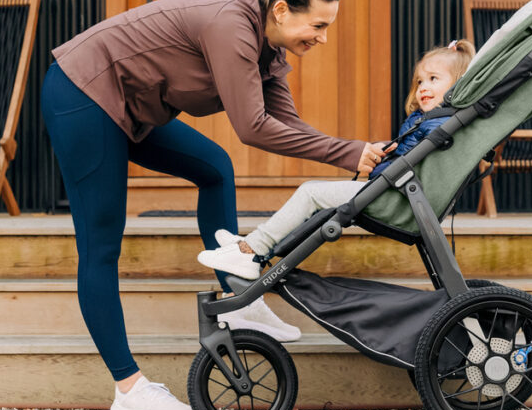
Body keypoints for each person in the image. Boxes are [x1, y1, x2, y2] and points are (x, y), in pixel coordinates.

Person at [41, 0, 391, 410]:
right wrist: (349, 153)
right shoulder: (232, 28)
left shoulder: (270, 53)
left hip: (131, 108)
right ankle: (129, 389)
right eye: (318, 25)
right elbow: (252, 128)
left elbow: (289, 127)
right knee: (100, 245)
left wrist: (357, 153)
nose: (324, 38)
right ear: (280, 11)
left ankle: (235, 299)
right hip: (84, 93)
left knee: (213, 168)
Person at [198, 40, 475, 280]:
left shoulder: (440, 125)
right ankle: (253, 246)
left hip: (396, 198)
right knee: (314, 200)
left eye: (433, 80)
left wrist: (394, 154)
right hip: (397, 193)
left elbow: (417, 161)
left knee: (310, 193)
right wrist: (391, 149)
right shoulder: (431, 121)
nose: (422, 88)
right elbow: (415, 155)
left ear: (458, 87)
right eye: (419, 81)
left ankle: (252, 249)